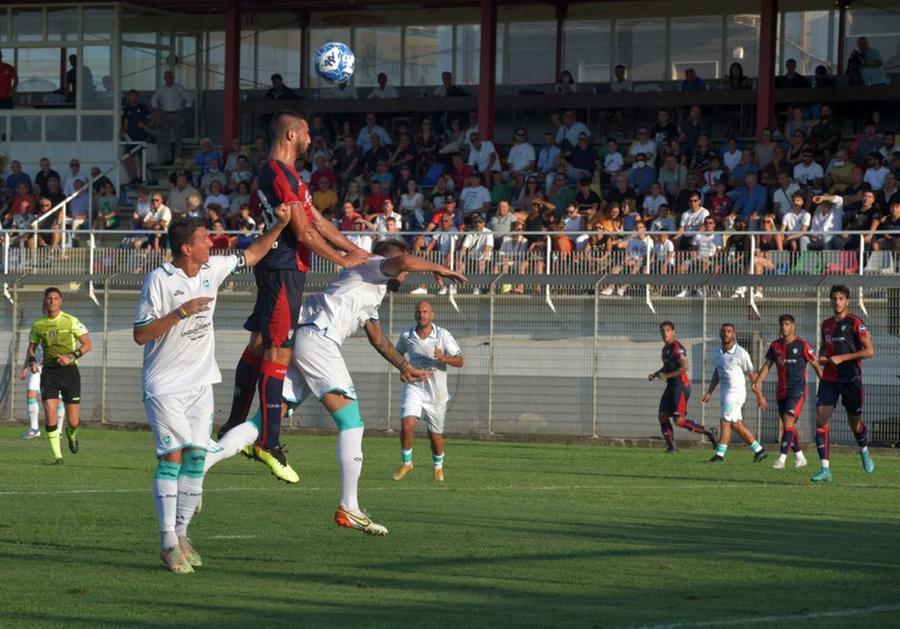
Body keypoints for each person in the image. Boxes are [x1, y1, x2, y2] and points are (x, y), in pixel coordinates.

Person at [205, 240, 467, 536]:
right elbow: (404, 262)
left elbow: (378, 340)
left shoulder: (371, 289)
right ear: (387, 260)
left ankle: (200, 464)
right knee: (351, 423)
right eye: (400, 268)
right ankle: (349, 507)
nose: (404, 275)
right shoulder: (373, 266)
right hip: (319, 339)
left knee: (265, 420)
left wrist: (405, 367)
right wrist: (441, 268)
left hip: (304, 336)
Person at [133, 207, 291, 574]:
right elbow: (141, 334)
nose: (211, 243)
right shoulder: (159, 280)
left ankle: (183, 535)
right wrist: (181, 312)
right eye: (205, 239)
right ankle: (167, 542)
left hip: (201, 381)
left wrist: (281, 224)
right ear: (186, 248)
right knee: (171, 459)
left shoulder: (212, 269)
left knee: (196, 458)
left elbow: (252, 254)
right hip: (165, 385)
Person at [216, 110, 369, 482]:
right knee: (278, 349)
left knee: (259, 341)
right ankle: (268, 441)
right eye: (305, 133)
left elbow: (316, 219)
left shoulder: (289, 176)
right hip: (283, 268)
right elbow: (303, 232)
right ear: (290, 135)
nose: (310, 140)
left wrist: (354, 252)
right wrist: (342, 261)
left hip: (282, 268)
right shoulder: (276, 173)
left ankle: (234, 425)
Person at [392, 301, 464, 482]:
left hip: (436, 394)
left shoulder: (443, 335)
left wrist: (443, 358)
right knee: (407, 424)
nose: (421, 315)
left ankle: (438, 467)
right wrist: (404, 370)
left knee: (435, 436)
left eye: (425, 312)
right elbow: (395, 354)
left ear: (432, 315)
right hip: (414, 387)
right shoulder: (407, 335)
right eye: (418, 312)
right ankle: (407, 462)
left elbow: (460, 361)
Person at [810, 284, 876, 483]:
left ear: (847, 301)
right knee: (821, 418)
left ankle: (864, 451)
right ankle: (825, 469)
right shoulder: (826, 324)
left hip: (850, 379)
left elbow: (869, 351)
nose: (837, 302)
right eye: (834, 299)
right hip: (830, 377)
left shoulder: (856, 322)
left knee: (854, 423)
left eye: (840, 298)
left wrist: (843, 357)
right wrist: (822, 358)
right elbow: (823, 349)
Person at [26, 288, 92, 464]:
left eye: (56, 298)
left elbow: (87, 344)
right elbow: (31, 348)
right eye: (49, 298)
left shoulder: (70, 321)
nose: (52, 302)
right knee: (50, 412)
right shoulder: (38, 325)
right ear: (45, 301)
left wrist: (70, 357)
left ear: (61, 301)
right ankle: (57, 456)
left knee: (73, 420)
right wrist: (32, 362)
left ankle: (71, 434)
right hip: (49, 373)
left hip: (70, 373)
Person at [753, 314, 823, 470]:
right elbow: (767, 365)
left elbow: (816, 365)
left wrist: (825, 385)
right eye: (782, 324)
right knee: (788, 425)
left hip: (797, 391)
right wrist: (758, 381)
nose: (784, 327)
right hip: (781, 391)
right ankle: (800, 457)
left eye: (787, 324)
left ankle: (781, 459)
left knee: (788, 420)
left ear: (793, 326)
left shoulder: (803, 345)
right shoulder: (775, 346)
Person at [702, 323, 768, 463]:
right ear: (720, 333)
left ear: (734, 334)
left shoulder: (741, 353)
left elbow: (752, 376)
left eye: (729, 331)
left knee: (725, 421)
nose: (726, 333)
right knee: (735, 425)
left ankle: (719, 455)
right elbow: (717, 373)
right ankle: (759, 450)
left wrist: (759, 396)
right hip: (725, 393)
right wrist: (710, 391)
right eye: (724, 331)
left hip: (735, 394)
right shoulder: (718, 352)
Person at [648, 321, 717, 453]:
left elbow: (684, 367)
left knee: (678, 420)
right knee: (662, 415)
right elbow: (667, 367)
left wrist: (666, 376)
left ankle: (708, 432)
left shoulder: (677, 347)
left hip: (680, 387)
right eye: (662, 331)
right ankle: (672, 447)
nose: (665, 333)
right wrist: (656, 374)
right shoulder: (665, 349)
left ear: (674, 332)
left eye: (668, 330)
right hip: (671, 386)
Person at [151, 70, 188, 165]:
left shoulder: (179, 87)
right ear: (164, 79)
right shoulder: (161, 89)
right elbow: (154, 99)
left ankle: (177, 158)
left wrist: (184, 107)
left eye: (170, 77)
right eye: (166, 77)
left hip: (176, 113)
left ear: (173, 78)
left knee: (177, 137)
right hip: (164, 114)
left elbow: (186, 97)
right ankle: (168, 158)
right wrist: (157, 109)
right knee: (166, 138)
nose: (168, 79)